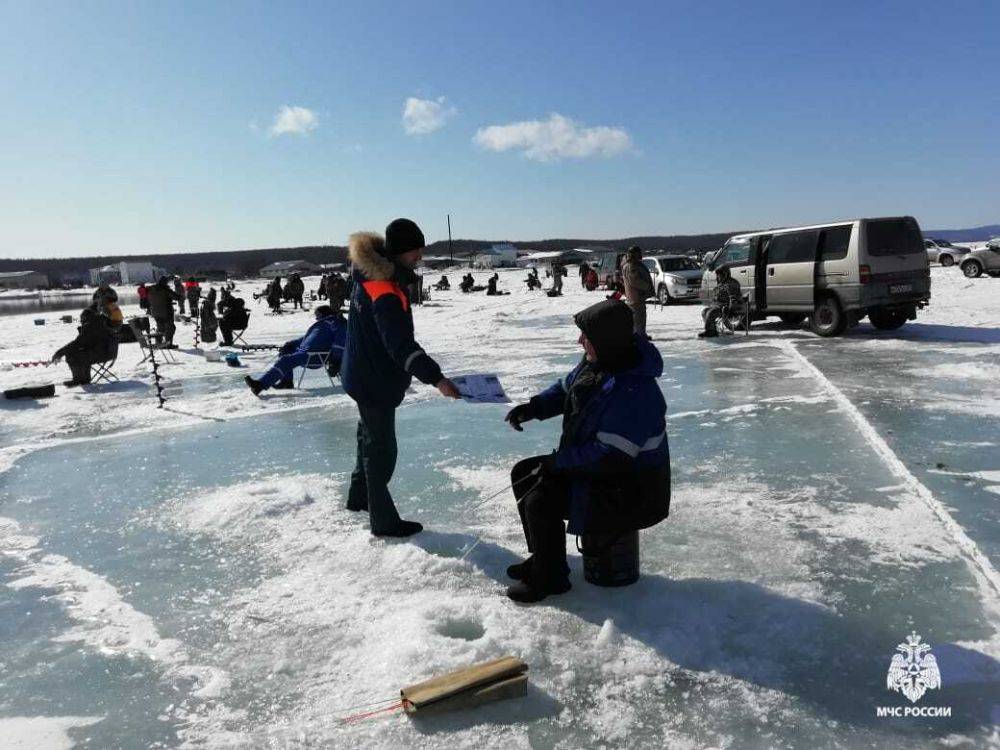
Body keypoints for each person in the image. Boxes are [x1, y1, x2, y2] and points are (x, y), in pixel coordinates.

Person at [503, 299, 671, 602]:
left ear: (607, 339)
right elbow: (568, 388)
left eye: (586, 335)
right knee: (525, 474)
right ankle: (545, 558)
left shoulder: (634, 391)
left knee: (541, 498)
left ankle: (550, 579)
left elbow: (609, 456)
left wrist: (559, 464)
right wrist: (534, 408)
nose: (580, 341)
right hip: (605, 471)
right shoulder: (599, 361)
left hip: (632, 489)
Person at [341, 218, 461, 537]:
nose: (419, 257)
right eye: (414, 252)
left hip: (361, 372)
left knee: (368, 436)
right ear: (396, 253)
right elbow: (399, 344)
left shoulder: (373, 274)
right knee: (381, 450)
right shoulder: (383, 288)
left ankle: (358, 499)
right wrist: (437, 379)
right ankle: (383, 522)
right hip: (372, 379)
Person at [244, 306, 346, 395]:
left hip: (315, 356)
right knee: (286, 352)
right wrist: (291, 344)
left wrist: (336, 360)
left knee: (286, 360)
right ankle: (286, 382)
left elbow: (340, 342)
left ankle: (260, 385)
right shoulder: (321, 325)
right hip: (305, 353)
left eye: (317, 315)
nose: (316, 317)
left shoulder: (336, 323)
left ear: (323, 313)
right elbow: (306, 339)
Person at [52, 308, 118, 387]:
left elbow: (77, 343)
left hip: (101, 354)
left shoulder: (90, 326)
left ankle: (78, 380)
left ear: (86, 318)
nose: (81, 321)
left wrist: (59, 353)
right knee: (83, 353)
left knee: (71, 355)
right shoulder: (103, 324)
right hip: (110, 353)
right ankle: (84, 379)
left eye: (82, 319)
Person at [699, 265, 742, 338]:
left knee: (711, 313)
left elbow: (733, 298)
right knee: (704, 311)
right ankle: (712, 329)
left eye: (719, 275)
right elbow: (717, 296)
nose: (717, 277)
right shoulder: (721, 283)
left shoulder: (731, 284)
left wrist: (731, 309)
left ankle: (711, 332)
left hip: (727, 308)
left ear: (725, 274)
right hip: (719, 306)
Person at [622, 246, 654, 338]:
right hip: (635, 297)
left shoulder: (633, 264)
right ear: (634, 254)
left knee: (641, 316)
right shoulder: (631, 265)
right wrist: (646, 286)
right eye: (639, 253)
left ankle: (641, 334)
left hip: (637, 296)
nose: (641, 254)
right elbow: (634, 281)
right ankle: (639, 336)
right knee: (638, 317)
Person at [146, 276, 183, 346]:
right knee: (170, 328)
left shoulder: (151, 289)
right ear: (165, 282)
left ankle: (159, 343)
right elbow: (177, 297)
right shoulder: (165, 289)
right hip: (166, 312)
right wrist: (179, 293)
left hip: (155, 312)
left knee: (160, 328)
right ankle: (168, 344)